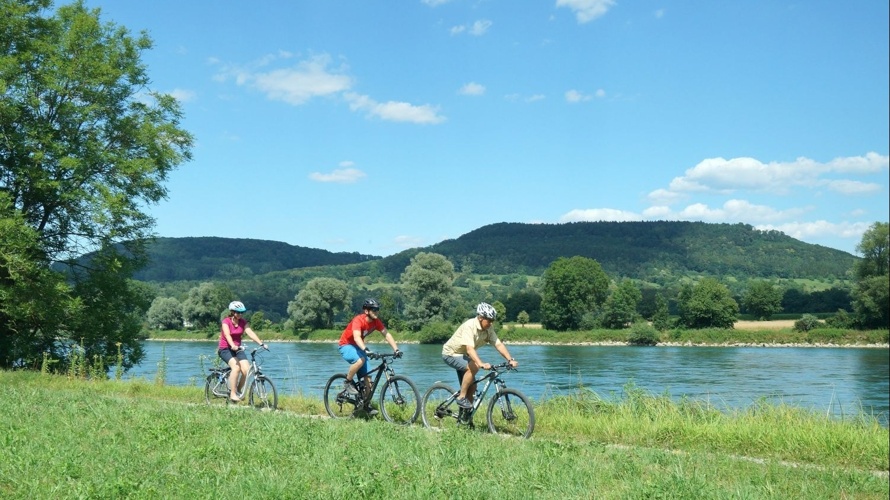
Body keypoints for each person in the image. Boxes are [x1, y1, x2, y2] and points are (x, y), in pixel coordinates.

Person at [441, 302, 518, 409]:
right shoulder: (469, 326)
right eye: (489, 320)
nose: (491, 323)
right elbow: (469, 348)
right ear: (481, 318)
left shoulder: (488, 328)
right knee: (474, 366)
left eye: (493, 321)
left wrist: (510, 359)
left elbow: (498, 344)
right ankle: (461, 397)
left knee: (472, 387)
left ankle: (465, 418)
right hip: (450, 354)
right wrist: (480, 363)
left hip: (463, 355)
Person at [337, 298, 401, 415]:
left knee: (368, 380)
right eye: (374, 309)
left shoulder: (376, 322)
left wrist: (396, 349)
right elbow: (356, 337)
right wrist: (366, 349)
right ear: (366, 311)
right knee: (360, 360)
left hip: (359, 347)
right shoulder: (358, 320)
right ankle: (348, 382)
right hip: (346, 345)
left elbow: (387, 335)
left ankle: (365, 405)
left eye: (378, 309)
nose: (376, 312)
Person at [218, 300, 266, 402]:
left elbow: (250, 332)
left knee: (247, 370)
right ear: (232, 312)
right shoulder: (226, 322)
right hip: (225, 348)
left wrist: (261, 343)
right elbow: (227, 335)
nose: (240, 314)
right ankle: (233, 393)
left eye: (242, 312)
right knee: (236, 368)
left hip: (238, 349)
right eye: (238, 312)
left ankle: (239, 390)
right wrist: (232, 345)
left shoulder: (243, 322)